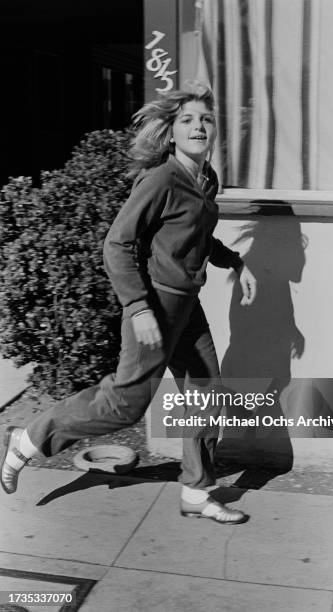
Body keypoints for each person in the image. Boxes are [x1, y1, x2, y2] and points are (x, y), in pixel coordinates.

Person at [0, 81, 257, 524]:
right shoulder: (162, 179)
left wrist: (235, 261)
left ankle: (197, 490)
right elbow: (117, 244)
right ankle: (29, 439)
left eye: (206, 120)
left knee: (206, 392)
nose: (199, 126)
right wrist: (137, 308)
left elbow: (194, 235)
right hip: (155, 307)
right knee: (124, 403)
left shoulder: (205, 179)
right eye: (188, 120)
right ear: (171, 132)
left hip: (186, 308)